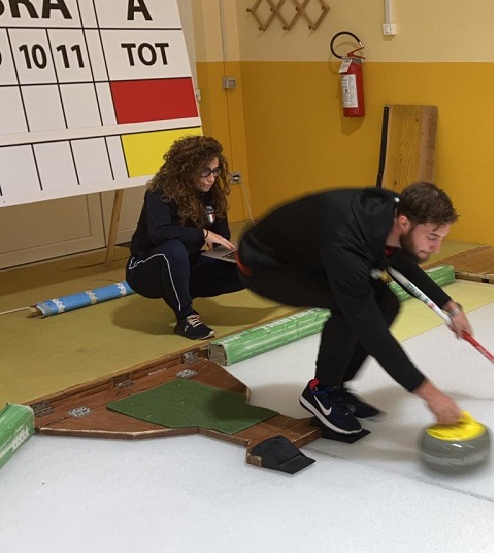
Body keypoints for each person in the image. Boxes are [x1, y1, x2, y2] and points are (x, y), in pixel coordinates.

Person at [236, 182, 471, 438]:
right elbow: (371, 331)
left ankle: (336, 386)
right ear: (404, 223)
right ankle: (321, 391)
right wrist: (430, 395)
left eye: (441, 238)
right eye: (432, 237)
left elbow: (402, 259)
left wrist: (450, 307)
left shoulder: (396, 213)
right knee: (353, 309)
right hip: (264, 266)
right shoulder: (347, 246)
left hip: (310, 255)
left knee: (386, 303)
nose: (436, 248)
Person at [126, 135, 244, 340]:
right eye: (205, 171)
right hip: (147, 269)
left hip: (185, 267)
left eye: (215, 171)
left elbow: (221, 237)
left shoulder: (211, 192)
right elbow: (158, 232)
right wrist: (202, 233)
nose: (211, 178)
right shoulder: (160, 192)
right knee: (174, 249)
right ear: (186, 169)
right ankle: (186, 318)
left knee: (247, 261)